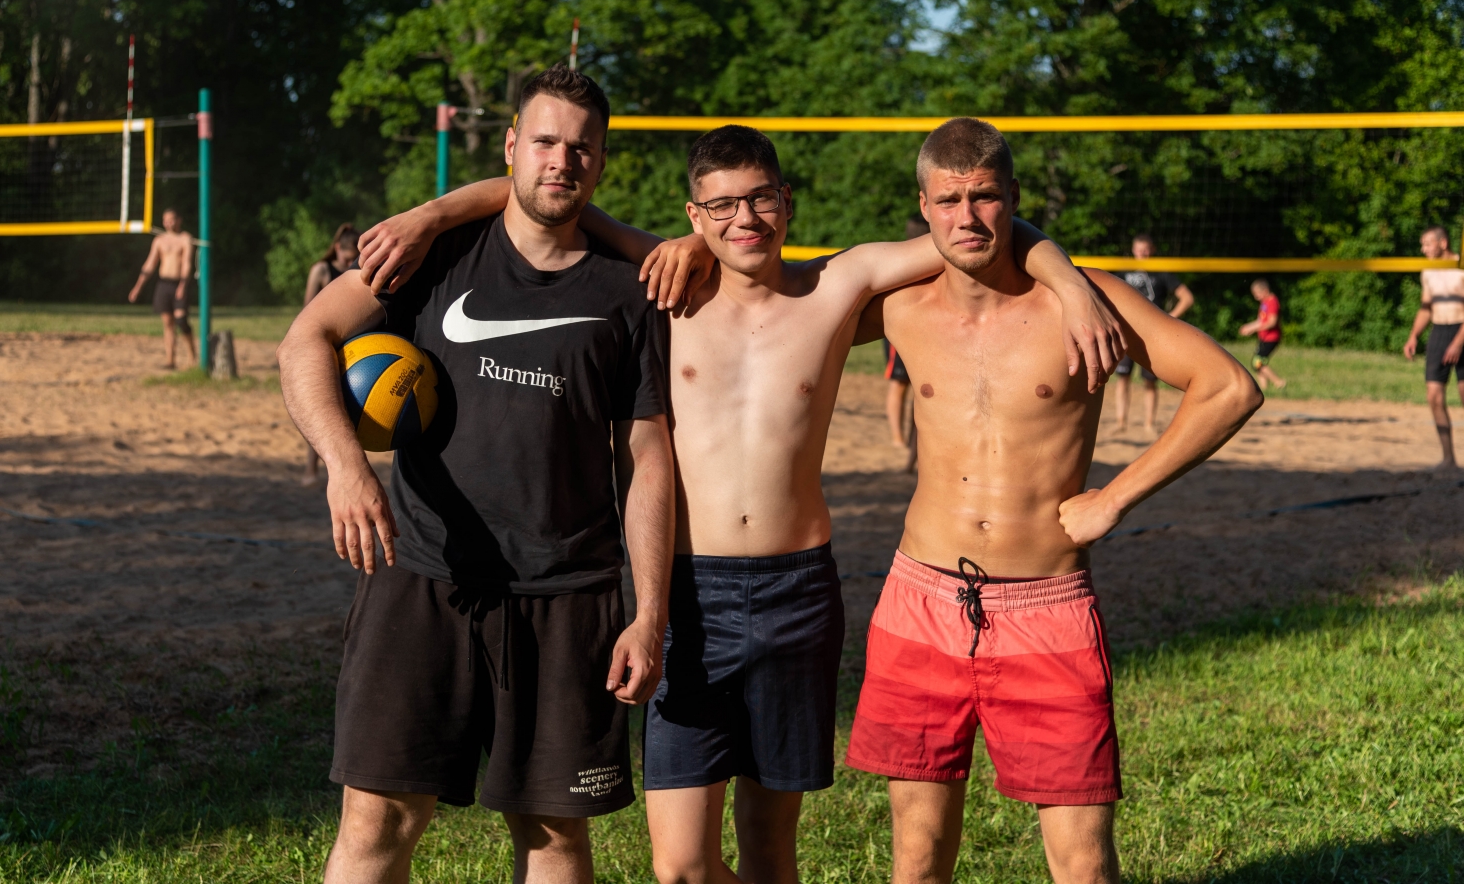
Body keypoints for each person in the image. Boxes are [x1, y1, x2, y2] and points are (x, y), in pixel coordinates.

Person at [354, 125, 1125, 884]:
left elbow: (979, 230)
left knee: (769, 850)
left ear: (787, 201)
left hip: (799, 593)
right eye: (721, 207)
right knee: (680, 867)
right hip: (691, 597)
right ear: (694, 216)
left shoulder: (837, 285)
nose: (745, 219)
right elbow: (548, 196)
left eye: (760, 199)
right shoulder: (666, 289)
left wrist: (1069, 284)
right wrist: (430, 215)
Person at [278, 66, 676, 884]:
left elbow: (646, 459)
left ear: (601, 162)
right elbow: (305, 341)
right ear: (510, 147)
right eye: (544, 142)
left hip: (568, 593)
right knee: (379, 819)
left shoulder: (629, 293)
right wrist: (346, 469)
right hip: (422, 575)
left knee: (553, 835)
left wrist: (649, 614)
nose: (561, 161)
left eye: (581, 148)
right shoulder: (432, 257)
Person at [845, 118, 1261, 884]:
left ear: (1013, 198)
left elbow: (1229, 387)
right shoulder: (898, 307)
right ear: (923, 205)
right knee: (917, 856)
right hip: (919, 602)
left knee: (1082, 865)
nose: (967, 217)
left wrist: (1116, 497)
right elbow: (770, 288)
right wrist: (692, 246)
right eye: (948, 201)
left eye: (985, 197)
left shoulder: (1083, 301)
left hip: (1047, 608)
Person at [1112, 234, 1194, 434]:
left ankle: (1149, 424)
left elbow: (1187, 298)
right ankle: (1121, 423)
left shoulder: (1161, 271)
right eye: (1139, 250)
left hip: (1152, 335)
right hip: (1126, 332)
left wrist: (1169, 318)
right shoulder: (1123, 271)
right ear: (1133, 250)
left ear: (1152, 250)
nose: (1142, 253)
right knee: (1122, 378)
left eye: (1146, 250)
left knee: (1150, 381)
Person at [302, 225, 362, 486]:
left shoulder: (358, 271)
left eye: (354, 259)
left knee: (348, 414)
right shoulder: (321, 270)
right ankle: (310, 470)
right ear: (337, 248)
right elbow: (306, 312)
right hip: (325, 348)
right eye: (348, 259)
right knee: (322, 412)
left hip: (351, 348)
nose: (351, 264)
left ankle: (344, 472)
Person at [1402, 225, 1464, 468]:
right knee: (1434, 397)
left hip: (1461, 330)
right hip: (1439, 331)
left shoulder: (1460, 267)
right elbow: (1426, 308)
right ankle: (1448, 459)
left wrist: (1458, 343)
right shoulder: (1428, 271)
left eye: (1427, 244)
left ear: (1443, 243)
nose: (1423, 249)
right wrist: (1413, 336)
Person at [885, 214, 930, 470]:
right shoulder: (902, 260)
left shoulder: (937, 258)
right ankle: (898, 439)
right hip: (903, 330)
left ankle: (911, 451)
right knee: (901, 384)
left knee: (919, 392)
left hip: (926, 331)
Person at [126, 208, 196, 369]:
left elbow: (187, 264)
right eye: (165, 220)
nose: (168, 223)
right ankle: (170, 360)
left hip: (179, 283)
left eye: (171, 219)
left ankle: (192, 355)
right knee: (168, 323)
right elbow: (149, 265)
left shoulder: (185, 238)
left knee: (181, 320)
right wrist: (137, 287)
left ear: (179, 220)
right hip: (163, 284)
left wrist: (183, 285)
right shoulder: (159, 240)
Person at [1239, 277, 1286, 391]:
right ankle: (1264, 389)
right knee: (1256, 363)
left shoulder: (1272, 302)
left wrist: (1254, 329)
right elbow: (1261, 321)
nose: (1256, 297)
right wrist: (1249, 327)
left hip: (1271, 338)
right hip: (1264, 338)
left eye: (1257, 294)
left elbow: (1272, 322)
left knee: (1258, 362)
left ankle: (1278, 382)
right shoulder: (1264, 303)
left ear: (1265, 291)